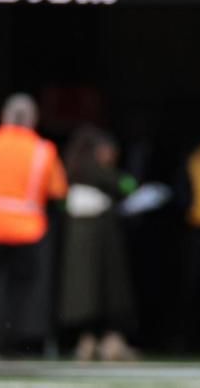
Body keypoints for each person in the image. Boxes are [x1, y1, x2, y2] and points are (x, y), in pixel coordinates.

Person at [0, 94, 68, 354]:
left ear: (3, 116)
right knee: (16, 295)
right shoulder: (44, 150)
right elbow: (59, 193)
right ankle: (8, 346)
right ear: (33, 120)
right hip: (26, 230)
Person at [59, 126, 138, 361]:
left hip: (80, 241)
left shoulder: (72, 171)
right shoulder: (97, 172)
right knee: (104, 291)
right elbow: (128, 184)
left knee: (84, 293)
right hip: (101, 240)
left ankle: (89, 340)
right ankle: (105, 341)